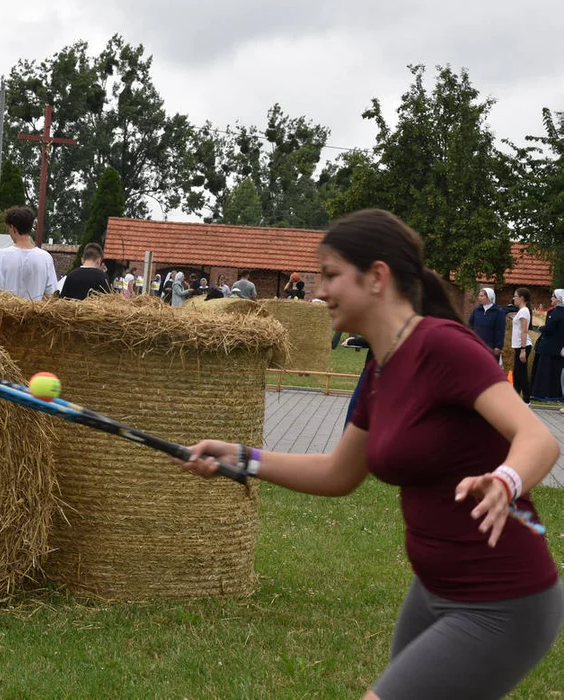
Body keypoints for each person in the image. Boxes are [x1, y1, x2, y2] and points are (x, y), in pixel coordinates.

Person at [175, 209, 562, 700]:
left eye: (332, 274)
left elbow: (538, 439)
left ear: (377, 276)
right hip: (433, 590)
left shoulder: (444, 347)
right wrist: (242, 457)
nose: (319, 290)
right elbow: (340, 472)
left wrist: (505, 479)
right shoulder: (383, 365)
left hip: (502, 599)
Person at [0, 206, 58, 300]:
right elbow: (49, 295)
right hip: (36, 313)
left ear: (13, 228)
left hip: (8, 313)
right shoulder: (46, 257)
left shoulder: (1, 256)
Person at [532, 289, 564, 403]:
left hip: (549, 347)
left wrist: (540, 328)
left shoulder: (556, 312)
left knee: (545, 372)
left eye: (553, 297)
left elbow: (549, 328)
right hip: (558, 348)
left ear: (558, 299)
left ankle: (542, 394)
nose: (551, 299)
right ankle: (554, 394)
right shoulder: (557, 312)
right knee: (555, 372)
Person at [468, 287, 505, 363]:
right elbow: (470, 325)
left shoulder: (498, 312)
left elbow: (500, 330)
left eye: (482, 296)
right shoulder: (477, 310)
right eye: (479, 296)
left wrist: (498, 346)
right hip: (477, 345)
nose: (479, 298)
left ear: (489, 297)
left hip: (490, 346)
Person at [510, 288, 533, 404]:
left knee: (521, 374)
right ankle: (515, 398)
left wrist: (523, 350)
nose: (514, 298)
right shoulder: (521, 311)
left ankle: (526, 400)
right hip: (518, 346)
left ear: (522, 298)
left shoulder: (524, 311)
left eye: (515, 296)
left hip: (522, 346)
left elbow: (524, 331)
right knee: (516, 373)